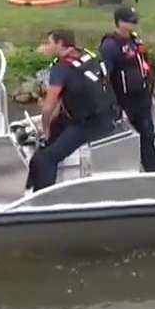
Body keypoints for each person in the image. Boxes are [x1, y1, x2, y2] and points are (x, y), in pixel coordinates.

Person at [27, 29, 119, 191]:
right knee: (45, 146)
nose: (47, 46)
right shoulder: (87, 56)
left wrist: (45, 128)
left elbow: (48, 107)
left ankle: (44, 200)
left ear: (60, 44)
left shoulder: (61, 69)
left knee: (47, 159)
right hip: (105, 114)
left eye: (49, 43)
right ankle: (31, 183)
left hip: (89, 124)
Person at [99, 6, 155, 172]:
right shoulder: (109, 46)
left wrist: (150, 95)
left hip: (142, 98)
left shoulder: (135, 41)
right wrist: (117, 108)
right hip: (124, 101)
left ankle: (153, 171)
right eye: (130, 20)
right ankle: (126, 172)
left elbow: (144, 68)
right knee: (127, 140)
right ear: (120, 23)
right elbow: (105, 79)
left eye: (135, 20)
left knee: (148, 136)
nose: (135, 23)